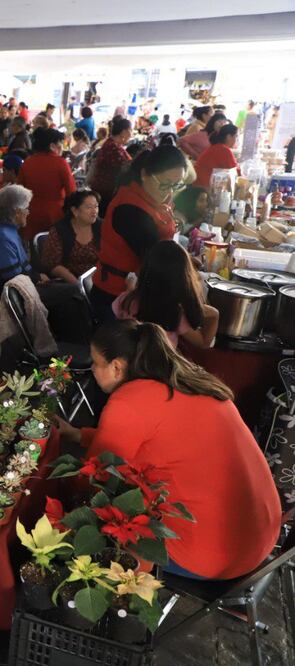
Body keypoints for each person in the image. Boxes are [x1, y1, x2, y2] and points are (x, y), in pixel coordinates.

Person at [55, 319, 280, 580]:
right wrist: (77, 434)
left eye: (95, 362)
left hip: (211, 556)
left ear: (117, 367)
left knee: (95, 531)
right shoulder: (193, 382)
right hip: (260, 541)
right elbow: (150, 441)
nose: (92, 369)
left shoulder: (129, 401)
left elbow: (95, 480)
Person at [90, 145, 188, 319]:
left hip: (140, 290)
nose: (170, 191)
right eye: (165, 184)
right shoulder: (130, 210)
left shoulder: (154, 197)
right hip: (117, 297)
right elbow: (156, 260)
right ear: (144, 175)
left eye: (176, 185)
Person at [113, 240, 219, 348]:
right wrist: (215, 314)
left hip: (125, 361)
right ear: (182, 280)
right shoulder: (175, 314)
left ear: (146, 270)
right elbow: (203, 342)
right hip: (159, 364)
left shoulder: (126, 301)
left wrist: (130, 288)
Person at [18, 127, 76, 240]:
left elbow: (19, 190)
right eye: (60, 143)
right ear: (52, 146)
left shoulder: (27, 163)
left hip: (30, 214)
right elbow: (72, 193)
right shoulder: (61, 163)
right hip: (55, 215)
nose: (62, 147)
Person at [0, 184, 33, 296]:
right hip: (14, 295)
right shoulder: (1, 237)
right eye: (27, 208)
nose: (28, 213)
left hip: (22, 287)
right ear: (17, 212)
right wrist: (37, 280)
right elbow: (14, 281)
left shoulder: (9, 231)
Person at [40, 190, 101, 284]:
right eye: (89, 207)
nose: (94, 211)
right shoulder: (60, 230)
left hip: (99, 279)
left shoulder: (103, 227)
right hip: (69, 281)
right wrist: (77, 285)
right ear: (75, 211)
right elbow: (52, 264)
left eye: (96, 206)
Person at [87, 117, 132, 212]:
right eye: (130, 131)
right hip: (105, 194)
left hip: (105, 191)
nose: (131, 135)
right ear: (124, 132)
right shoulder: (113, 148)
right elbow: (128, 168)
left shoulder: (113, 144)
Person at [194, 124, 240, 189]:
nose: (237, 140)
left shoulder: (217, 147)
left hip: (198, 183)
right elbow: (236, 172)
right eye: (236, 136)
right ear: (229, 136)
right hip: (203, 187)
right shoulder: (224, 150)